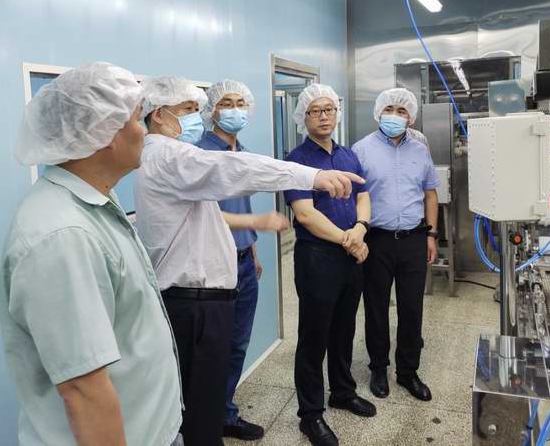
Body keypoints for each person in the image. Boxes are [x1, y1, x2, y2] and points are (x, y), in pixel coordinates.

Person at [134, 76, 364, 446]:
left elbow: (209, 213)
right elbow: (235, 170)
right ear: (159, 115)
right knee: (198, 404)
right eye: (189, 109)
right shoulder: (171, 156)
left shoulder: (175, 155)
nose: (196, 117)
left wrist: (252, 238)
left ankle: (217, 424)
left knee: (206, 394)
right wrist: (314, 176)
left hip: (205, 292)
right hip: (191, 298)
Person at [0, 62, 184, 446]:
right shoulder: (62, 236)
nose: (145, 130)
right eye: (137, 118)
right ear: (105, 133)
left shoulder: (95, 202)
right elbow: (84, 391)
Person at [284, 84, 375, 446]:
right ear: (303, 117)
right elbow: (305, 215)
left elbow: (364, 197)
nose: (324, 116)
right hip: (317, 258)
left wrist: (361, 229)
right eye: (315, 111)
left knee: (344, 328)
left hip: (350, 255)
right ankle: (310, 415)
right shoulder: (296, 160)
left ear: (337, 113)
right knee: (314, 335)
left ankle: (342, 391)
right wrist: (348, 240)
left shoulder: (348, 155)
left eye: (329, 109)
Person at [196, 79, 287, 441]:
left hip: (245, 262)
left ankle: (224, 413)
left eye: (240, 103)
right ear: (212, 111)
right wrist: (258, 224)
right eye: (227, 103)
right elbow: (202, 215)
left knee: (237, 345)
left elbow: (241, 205)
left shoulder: (242, 152)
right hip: (214, 265)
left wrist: (252, 250)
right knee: (213, 350)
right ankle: (205, 423)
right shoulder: (200, 154)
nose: (235, 109)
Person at [351, 87, 439, 403]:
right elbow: (353, 197)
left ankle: (408, 371)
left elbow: (430, 194)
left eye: (401, 111)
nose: (394, 116)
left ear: (410, 117)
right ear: (378, 113)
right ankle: (378, 368)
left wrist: (431, 235)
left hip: (414, 239)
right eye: (389, 109)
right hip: (376, 239)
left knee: (412, 307)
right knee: (376, 307)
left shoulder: (420, 151)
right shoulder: (360, 150)